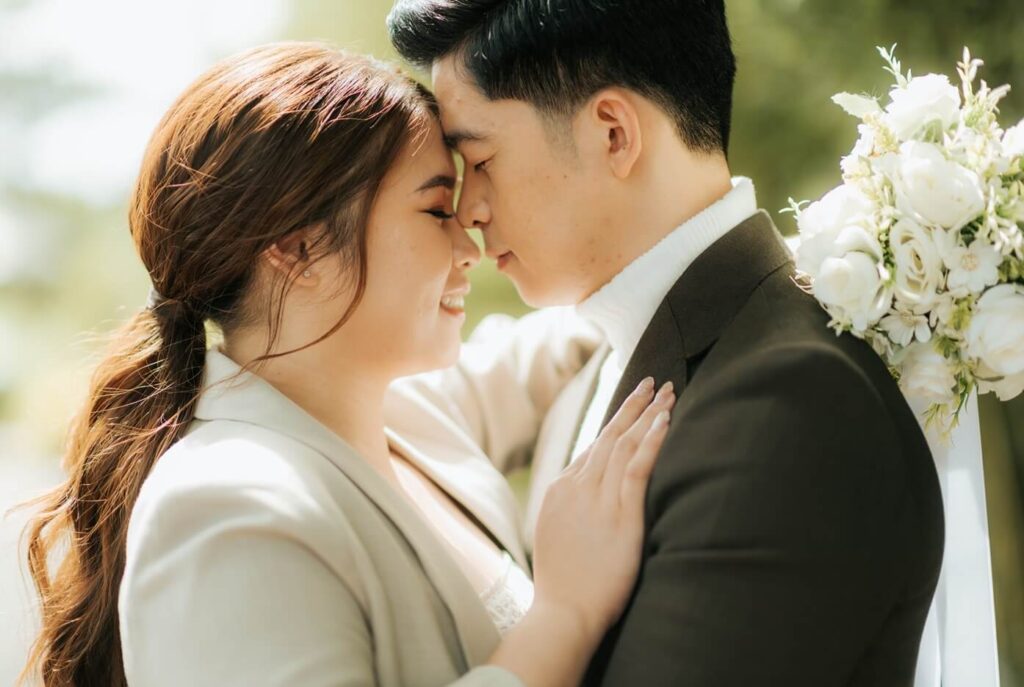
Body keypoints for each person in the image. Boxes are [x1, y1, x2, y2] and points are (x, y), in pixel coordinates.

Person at [19, 43, 676, 687]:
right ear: (297, 247)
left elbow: (560, 340)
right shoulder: (225, 506)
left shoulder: (406, 416)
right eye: (436, 210)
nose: (469, 245)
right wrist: (566, 614)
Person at [386, 1, 946, 684]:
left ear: (614, 134)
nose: (469, 209)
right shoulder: (605, 349)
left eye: (480, 160)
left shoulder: (790, 405)